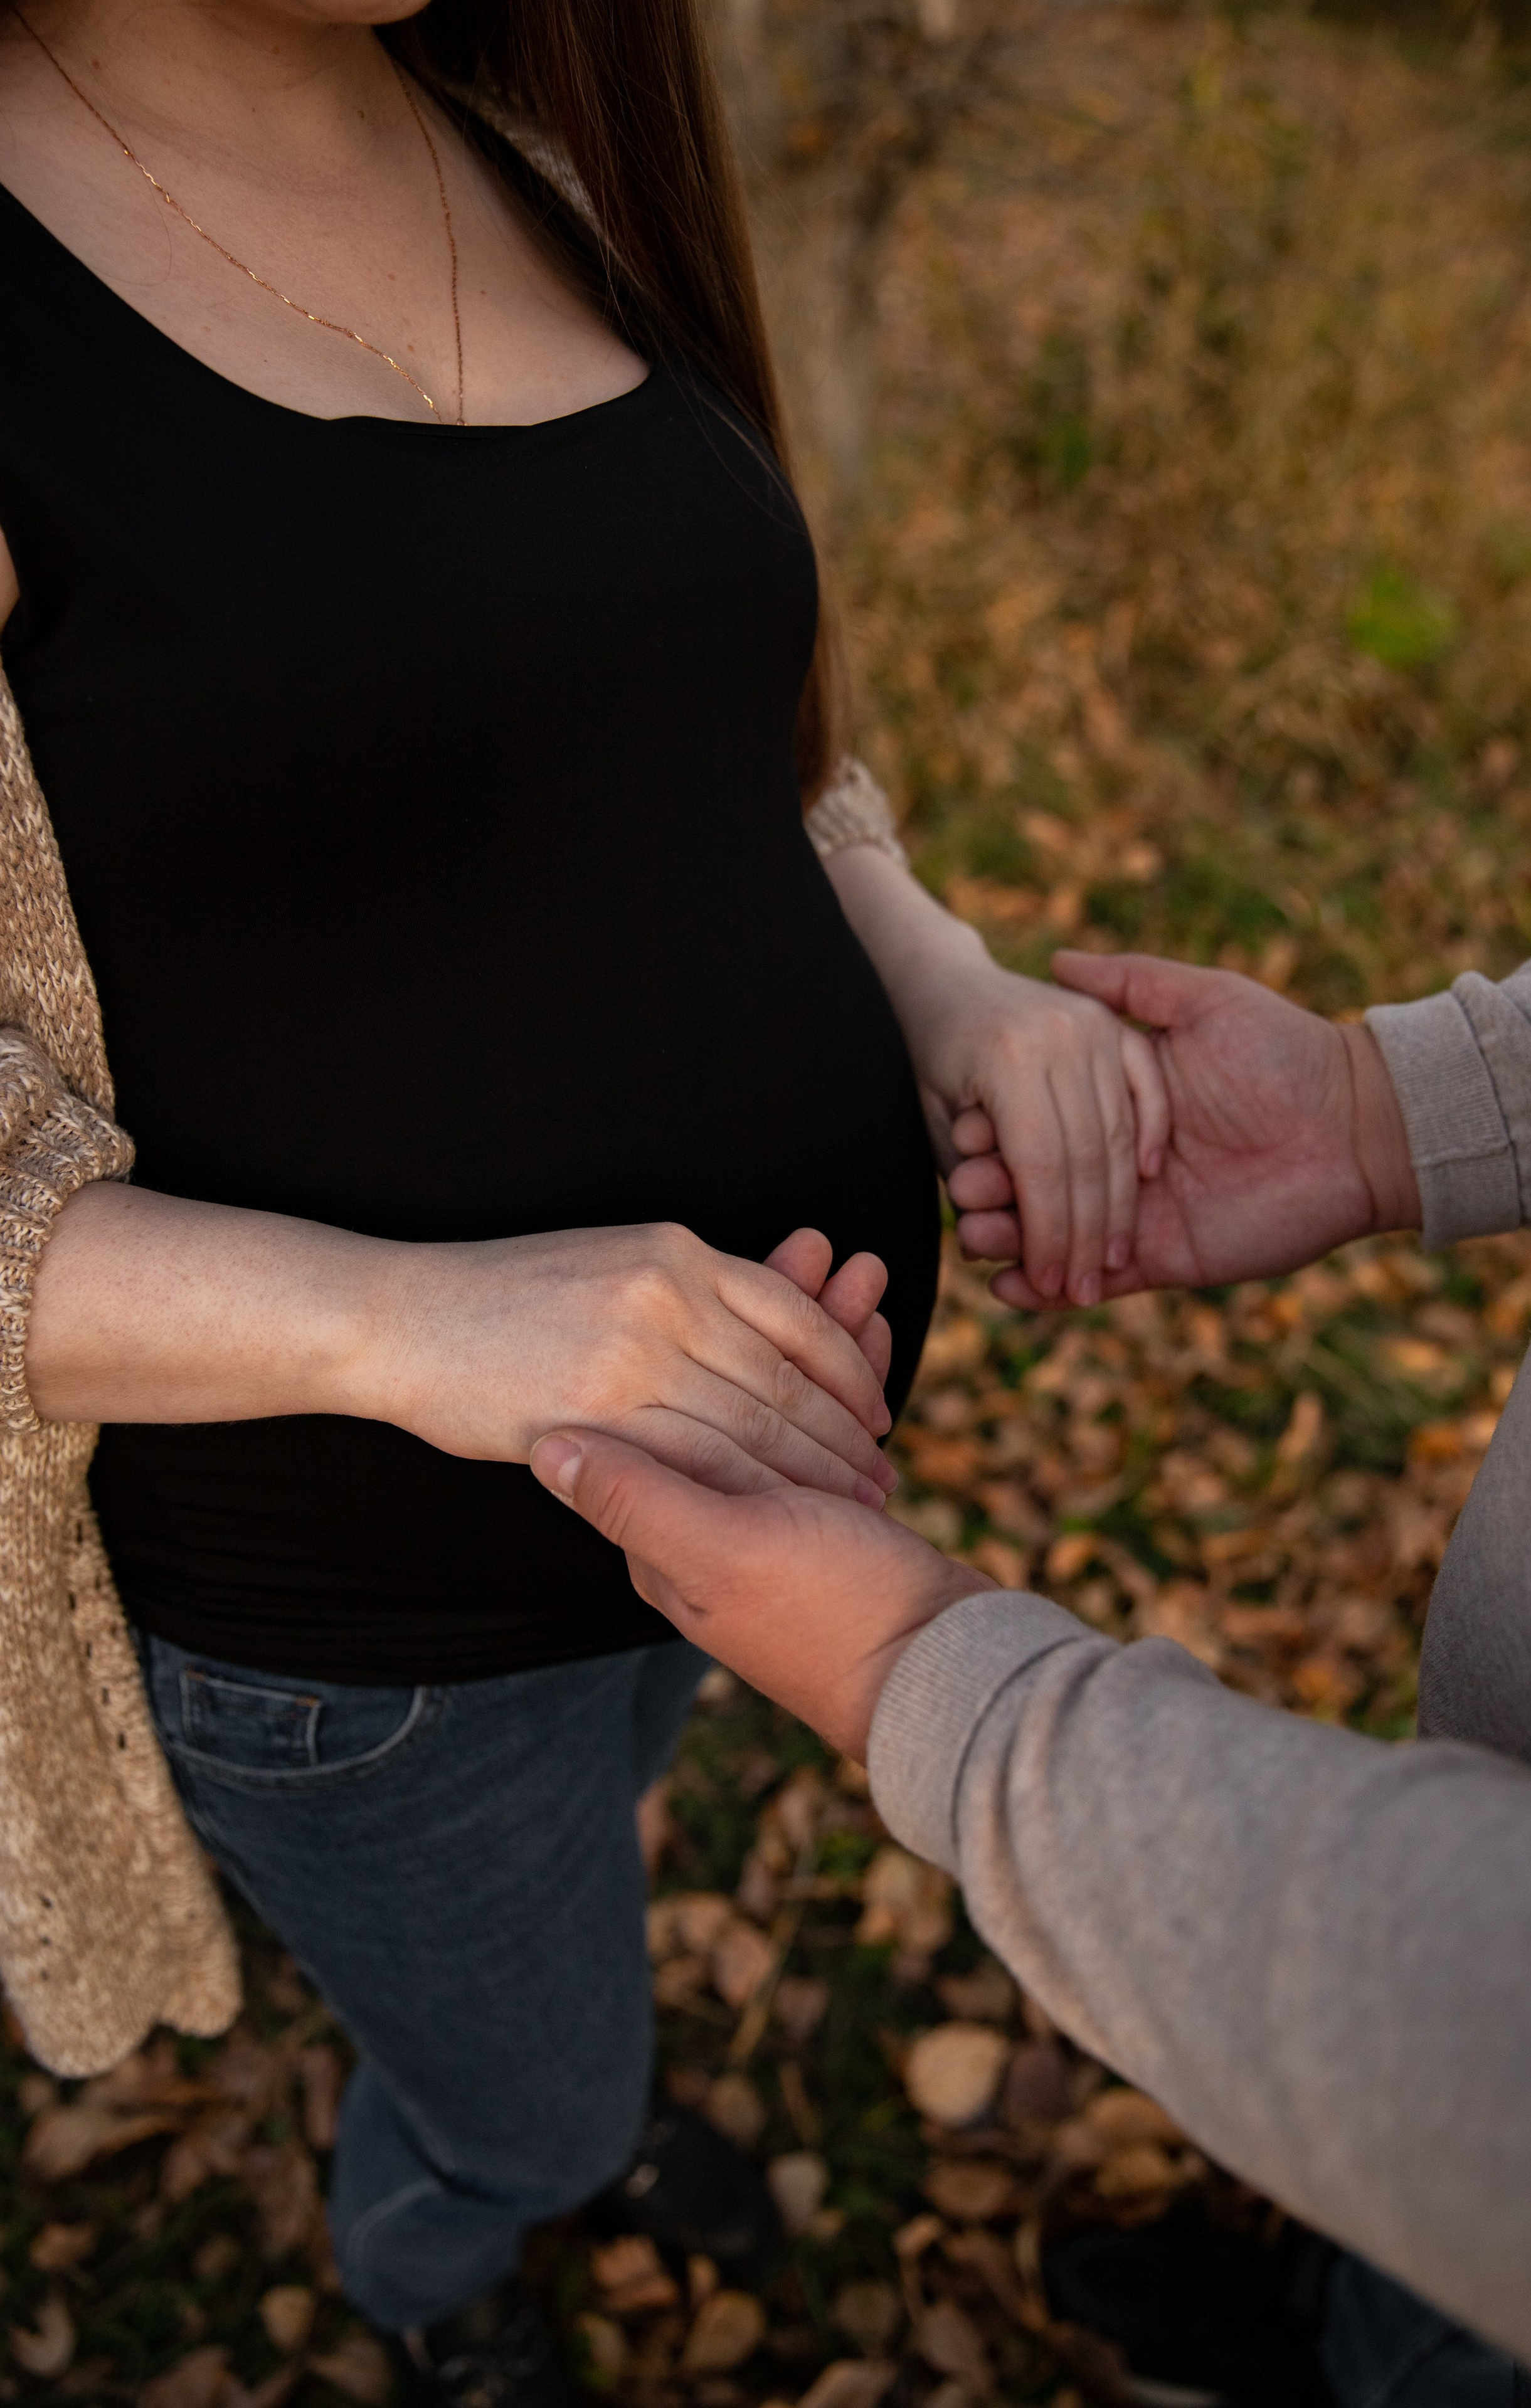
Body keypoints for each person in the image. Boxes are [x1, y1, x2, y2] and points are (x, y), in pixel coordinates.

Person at [0, 0, 1173, 2394]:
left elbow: (702, 725)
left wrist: (949, 984)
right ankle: (455, 2268)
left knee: (595, 1867)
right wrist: (413, 1330)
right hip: (373, 1627)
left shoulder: (534, 133)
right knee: (530, 2091)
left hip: (773, 1480)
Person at [531, 937, 1531, 2408]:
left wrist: (925, 1675)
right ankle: (1360, 2304)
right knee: (1427, 2261)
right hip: (1446, 1965)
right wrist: (1383, 1105)